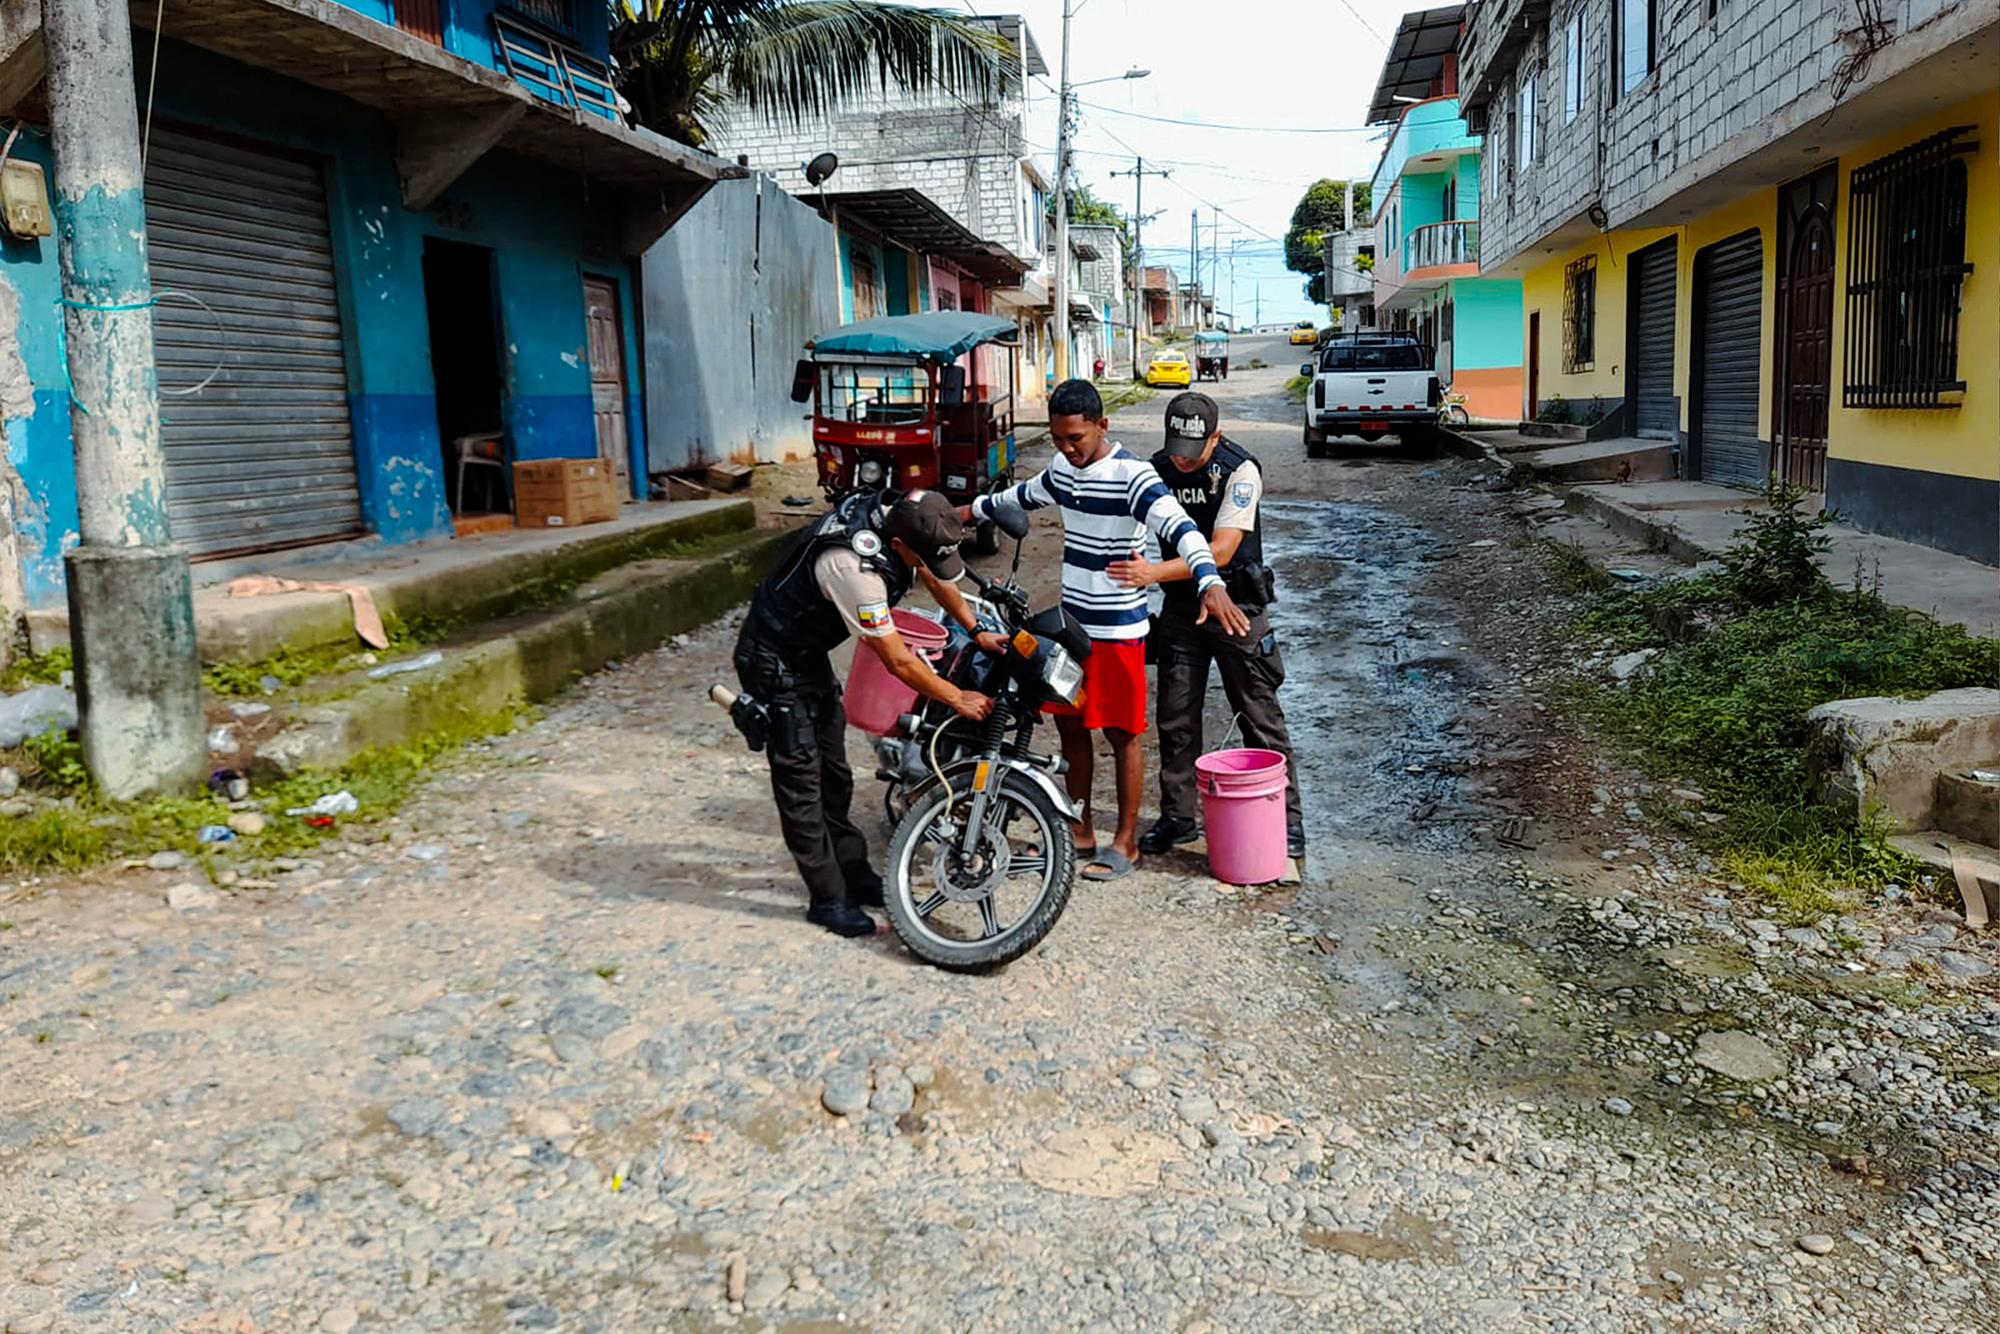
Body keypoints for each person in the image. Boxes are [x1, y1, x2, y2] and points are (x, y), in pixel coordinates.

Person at [962, 379, 1249, 880]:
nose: (1068, 449)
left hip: (1119, 633)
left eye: (1076, 438)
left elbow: (1181, 530)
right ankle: (1080, 828)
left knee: (1122, 734)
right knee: (1071, 725)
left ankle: (1126, 842)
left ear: (1102, 426)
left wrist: (1209, 582)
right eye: (1058, 439)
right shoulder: (1061, 470)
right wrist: (956, 513)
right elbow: (1017, 497)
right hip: (1071, 628)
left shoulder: (1133, 476)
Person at [734, 489, 1001, 938]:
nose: (925, 565)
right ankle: (827, 897)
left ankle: (852, 871)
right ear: (898, 546)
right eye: (918, 557)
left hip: (806, 654)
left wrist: (975, 631)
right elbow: (897, 660)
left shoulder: (900, 515)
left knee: (834, 772)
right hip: (772, 658)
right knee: (802, 779)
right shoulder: (854, 568)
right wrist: (956, 698)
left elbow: (934, 575)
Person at [1111, 391, 1306, 859]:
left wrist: (1153, 573)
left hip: (1237, 608)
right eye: (1174, 446)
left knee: (1260, 715)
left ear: (1215, 437)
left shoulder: (1240, 470)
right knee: (1175, 717)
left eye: (1191, 450)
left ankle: (1285, 819)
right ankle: (1178, 816)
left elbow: (1219, 551)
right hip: (1181, 610)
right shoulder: (1155, 467)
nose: (1180, 459)